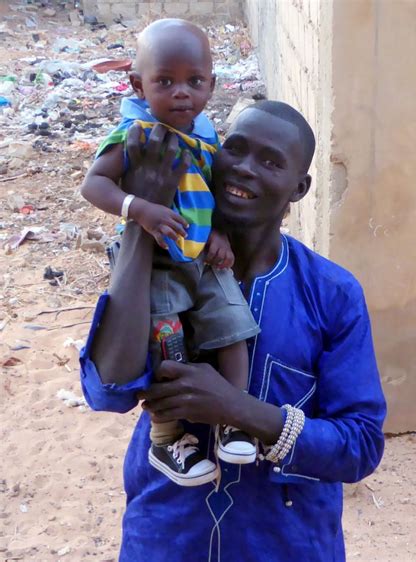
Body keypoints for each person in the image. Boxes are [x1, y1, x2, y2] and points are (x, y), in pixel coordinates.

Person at [80, 100, 387, 561]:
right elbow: (107, 390)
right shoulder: (161, 265)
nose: (244, 169)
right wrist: (143, 222)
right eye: (236, 150)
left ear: (299, 188)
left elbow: (360, 445)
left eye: (270, 162)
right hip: (167, 535)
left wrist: (240, 410)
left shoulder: (331, 294)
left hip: (286, 543)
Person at [80, 19, 260, 486]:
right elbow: (92, 185)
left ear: (211, 85)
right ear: (138, 85)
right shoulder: (134, 134)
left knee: (233, 325)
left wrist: (219, 231)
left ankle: (234, 418)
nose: (182, 93)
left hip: (199, 254)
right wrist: (138, 208)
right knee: (167, 343)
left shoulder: (202, 132)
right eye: (165, 82)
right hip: (155, 263)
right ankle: (165, 437)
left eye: (194, 82)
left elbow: (211, 189)